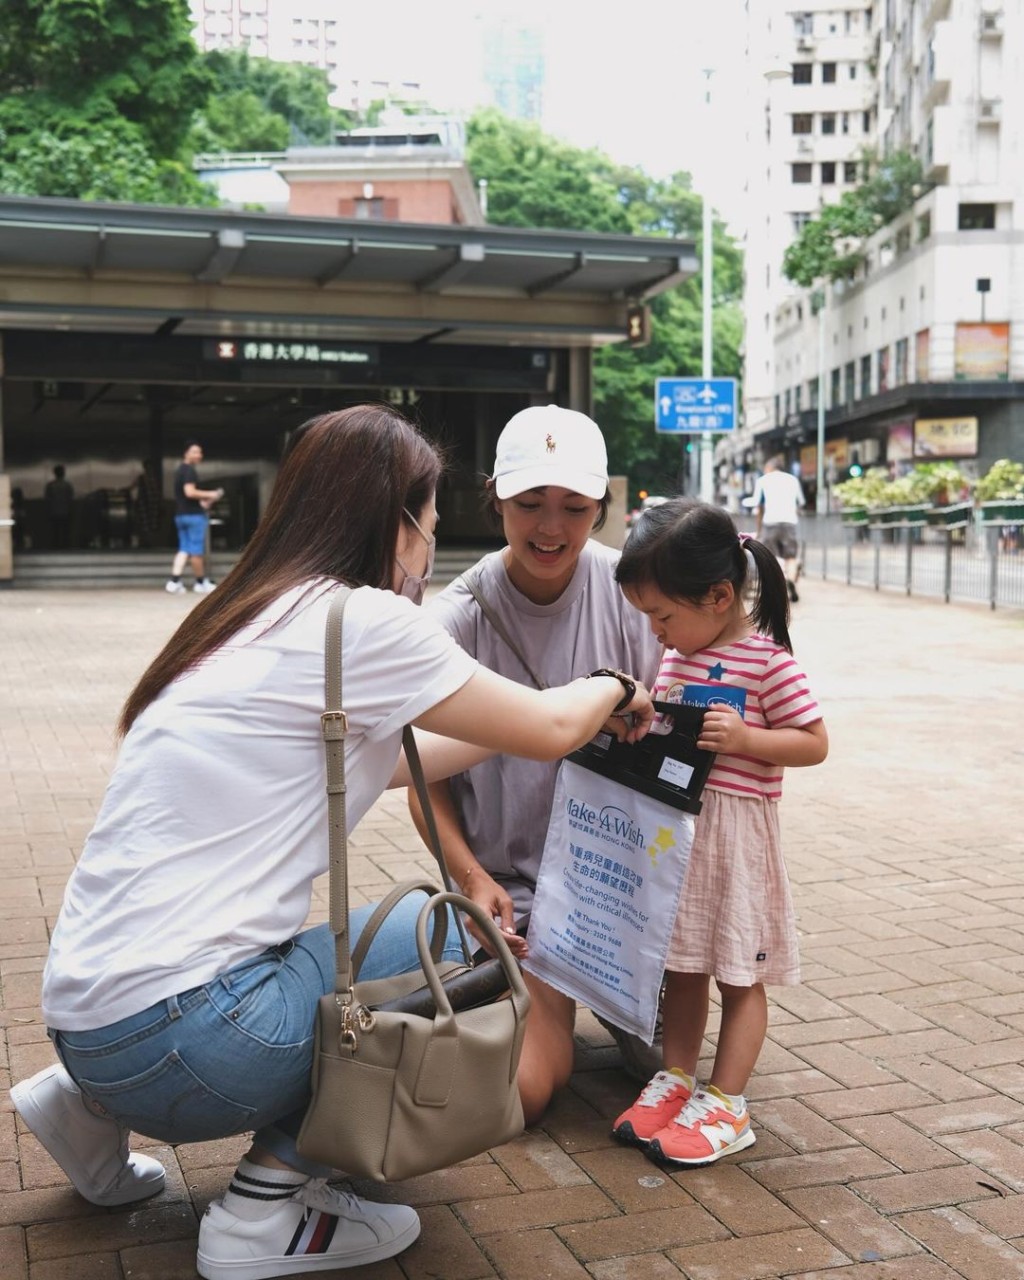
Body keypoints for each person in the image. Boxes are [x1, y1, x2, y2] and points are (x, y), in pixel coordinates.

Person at [9, 405, 654, 1280]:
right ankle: (266, 1208)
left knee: (349, 946)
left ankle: (85, 1113)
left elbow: (403, 760)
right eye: (427, 525)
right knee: (450, 938)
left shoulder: (247, 613)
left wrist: (553, 724)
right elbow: (543, 724)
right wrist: (612, 687)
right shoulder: (364, 623)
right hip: (189, 1042)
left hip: (90, 1025)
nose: (430, 549)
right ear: (395, 524)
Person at [409, 404, 664, 1125]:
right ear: (494, 497)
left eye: (574, 507)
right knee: (525, 1088)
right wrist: (474, 879)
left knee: (672, 1064)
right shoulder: (455, 619)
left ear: (601, 507)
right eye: (529, 503)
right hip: (522, 901)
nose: (550, 527)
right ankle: (528, 1002)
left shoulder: (635, 597)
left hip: (622, 889)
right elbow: (423, 780)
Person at [610, 498, 828, 1167]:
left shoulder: (767, 663)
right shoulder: (680, 657)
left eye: (663, 616)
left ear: (719, 595)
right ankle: (676, 1079)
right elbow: (674, 731)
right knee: (680, 969)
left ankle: (728, 1102)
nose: (656, 634)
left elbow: (814, 742)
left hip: (736, 845)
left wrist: (748, 738)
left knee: (738, 975)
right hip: (681, 838)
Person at [166, 440, 224, 595]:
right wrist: (211, 494)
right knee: (196, 551)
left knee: (184, 549)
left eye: (200, 452)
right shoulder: (189, 471)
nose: (199, 455)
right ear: (186, 453)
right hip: (194, 517)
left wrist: (204, 501)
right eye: (195, 452)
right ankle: (200, 583)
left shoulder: (179, 470)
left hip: (181, 515)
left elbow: (188, 496)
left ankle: (174, 581)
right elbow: (190, 492)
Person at [745, 456, 805, 602]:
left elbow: (755, 502)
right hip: (790, 522)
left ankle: (778, 584)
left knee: (770, 556)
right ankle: (790, 579)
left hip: (770, 522)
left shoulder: (763, 480)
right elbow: (801, 501)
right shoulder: (792, 480)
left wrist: (745, 502)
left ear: (770, 468)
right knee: (791, 556)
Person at [44, 464, 75, 550]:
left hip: (54, 511)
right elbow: (70, 498)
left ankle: (55, 546)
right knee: (65, 531)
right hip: (65, 511)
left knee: (55, 531)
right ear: (63, 473)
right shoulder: (67, 485)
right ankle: (66, 546)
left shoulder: (50, 485)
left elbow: (47, 499)